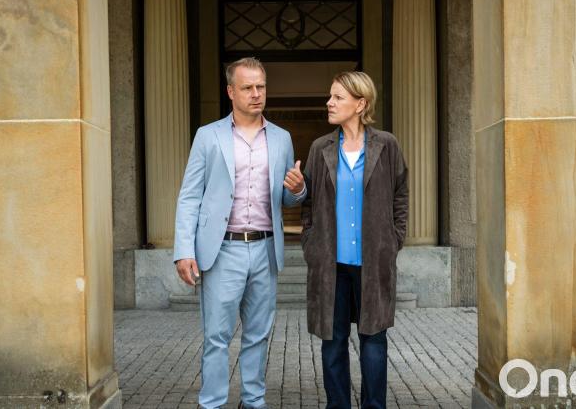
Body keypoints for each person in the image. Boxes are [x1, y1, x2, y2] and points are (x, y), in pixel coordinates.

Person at [173, 57, 306, 409]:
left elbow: (287, 198)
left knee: (258, 335)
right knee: (216, 336)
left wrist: (297, 188)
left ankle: (254, 401)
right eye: (247, 87)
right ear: (231, 91)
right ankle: (213, 403)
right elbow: (190, 196)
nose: (256, 94)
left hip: (265, 249)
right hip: (223, 250)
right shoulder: (208, 136)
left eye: (260, 86)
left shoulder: (281, 138)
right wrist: (184, 250)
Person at [301, 71, 408, 409]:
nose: (329, 103)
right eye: (330, 97)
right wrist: (311, 244)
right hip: (331, 264)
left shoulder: (386, 145)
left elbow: (400, 195)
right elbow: (307, 202)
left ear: (360, 104)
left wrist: (394, 238)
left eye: (337, 97)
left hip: (372, 263)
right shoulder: (320, 148)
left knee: (374, 341)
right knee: (332, 344)